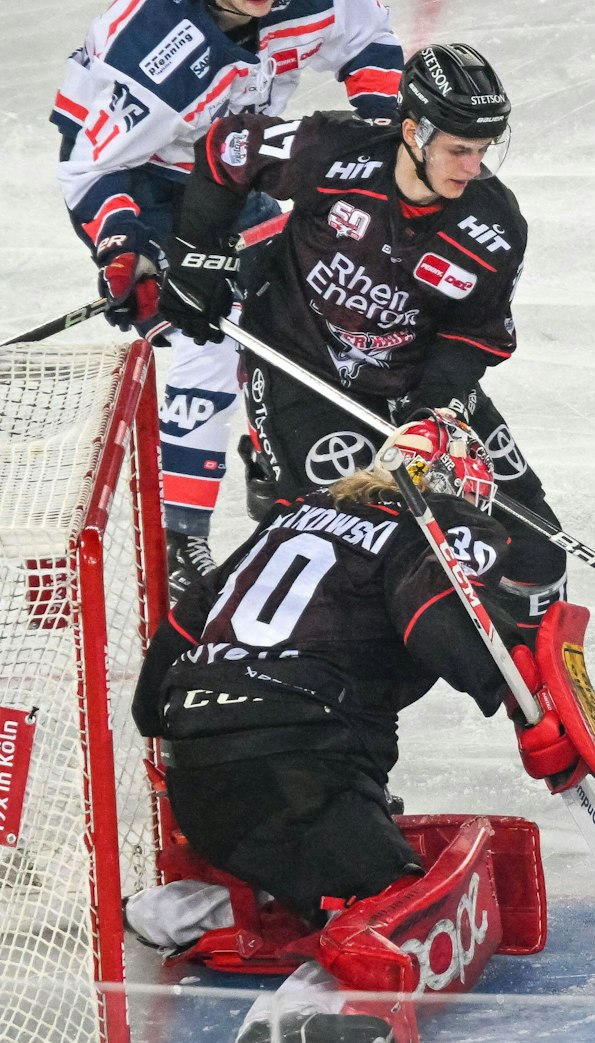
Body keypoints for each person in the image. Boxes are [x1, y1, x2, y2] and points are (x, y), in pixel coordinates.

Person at [153, 42, 595, 741]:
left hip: (415, 385)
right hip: (301, 373)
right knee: (341, 549)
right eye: (459, 150)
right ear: (412, 131)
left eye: (484, 151)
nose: (473, 168)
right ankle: (323, 729)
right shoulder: (333, 152)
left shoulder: (493, 225)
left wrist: (429, 412)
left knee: (534, 543)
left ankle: (552, 681)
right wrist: (199, 257)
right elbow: (228, 148)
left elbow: (475, 336)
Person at [126, 414, 595, 1043]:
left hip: (197, 767)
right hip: (297, 762)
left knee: (314, 840)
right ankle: (315, 1007)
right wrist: (523, 702)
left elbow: (179, 629)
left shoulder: (293, 514)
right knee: (390, 895)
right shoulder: (429, 518)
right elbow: (439, 621)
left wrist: (168, 717)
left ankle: (180, 908)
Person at [52, 0, 405, 598]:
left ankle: (271, 458)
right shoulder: (151, 45)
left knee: (306, 313)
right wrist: (124, 248)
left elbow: (368, 40)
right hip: (147, 180)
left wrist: (385, 140)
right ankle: (180, 541)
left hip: (235, 164)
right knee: (208, 343)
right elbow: (91, 168)